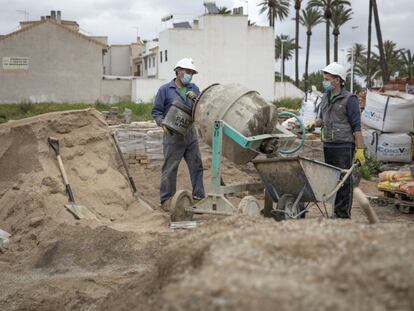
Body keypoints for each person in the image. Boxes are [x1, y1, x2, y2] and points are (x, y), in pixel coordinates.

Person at [306, 62, 365, 219]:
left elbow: (357, 127)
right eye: (324, 78)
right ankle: (335, 214)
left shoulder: (349, 99)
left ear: (338, 80)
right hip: (329, 145)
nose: (324, 81)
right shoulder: (325, 97)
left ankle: (343, 216)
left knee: (344, 182)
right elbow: (322, 119)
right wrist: (314, 123)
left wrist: (360, 150)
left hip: (344, 146)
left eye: (327, 78)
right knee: (333, 181)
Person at [151, 58, 205, 211]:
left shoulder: (194, 88)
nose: (190, 75)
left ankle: (198, 198)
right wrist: (162, 123)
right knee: (170, 169)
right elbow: (156, 111)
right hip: (172, 135)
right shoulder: (165, 90)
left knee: (197, 166)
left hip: (190, 135)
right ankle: (167, 200)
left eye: (192, 73)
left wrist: (195, 99)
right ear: (178, 71)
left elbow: (201, 108)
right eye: (187, 72)